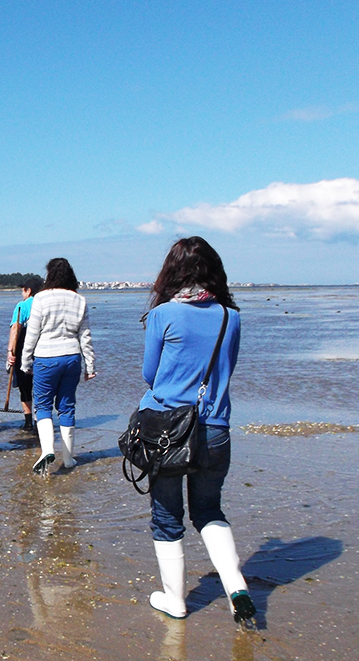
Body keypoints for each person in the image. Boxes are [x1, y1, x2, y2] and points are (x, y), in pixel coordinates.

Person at [139, 236, 255, 623]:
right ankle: (237, 587)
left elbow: (150, 375)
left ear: (172, 271)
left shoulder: (163, 315)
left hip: (167, 430)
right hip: (216, 427)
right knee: (208, 510)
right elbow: (228, 368)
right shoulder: (230, 316)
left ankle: (176, 600)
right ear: (213, 270)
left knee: (167, 516)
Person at [20, 258, 95, 474]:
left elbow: (32, 334)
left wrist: (26, 362)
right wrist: (90, 366)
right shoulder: (79, 300)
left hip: (46, 356)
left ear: (49, 275)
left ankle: (47, 451)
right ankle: (69, 459)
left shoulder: (41, 298)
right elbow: (85, 336)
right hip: (72, 356)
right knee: (67, 405)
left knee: (42, 405)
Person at [6, 276, 42, 432]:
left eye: (23, 289)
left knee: (25, 385)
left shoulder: (22, 306)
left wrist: (10, 351)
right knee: (41, 386)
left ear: (29, 291)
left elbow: (15, 328)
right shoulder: (44, 304)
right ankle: (39, 419)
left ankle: (28, 422)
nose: (22, 292)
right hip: (43, 349)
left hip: (24, 349)